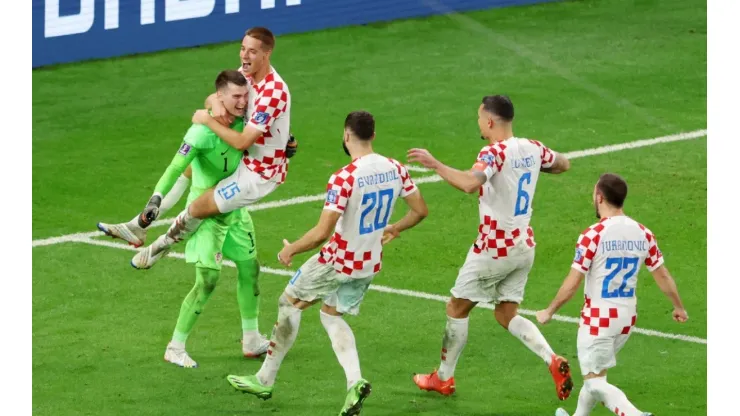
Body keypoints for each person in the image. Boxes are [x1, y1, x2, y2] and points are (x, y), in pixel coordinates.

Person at [225, 111, 428, 416]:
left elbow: (321, 233)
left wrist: (291, 249)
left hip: (338, 260)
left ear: (347, 136)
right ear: (372, 135)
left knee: (288, 303)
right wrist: (395, 228)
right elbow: (420, 211)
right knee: (331, 316)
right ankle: (354, 382)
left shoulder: (344, 177)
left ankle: (264, 379)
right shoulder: (396, 168)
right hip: (369, 262)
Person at [408, 95, 574, 400]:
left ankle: (443, 378)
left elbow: (470, 183)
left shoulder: (494, 152)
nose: (478, 123)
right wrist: (534, 167)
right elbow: (564, 163)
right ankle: (552, 359)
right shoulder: (533, 147)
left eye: (479, 117)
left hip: (495, 248)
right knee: (505, 313)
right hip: (524, 246)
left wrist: (435, 164)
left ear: (489, 121)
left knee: (457, 308)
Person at [129, 70, 271, 366]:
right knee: (208, 280)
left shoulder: (245, 121)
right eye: (236, 96)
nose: (243, 102)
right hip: (205, 213)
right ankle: (175, 347)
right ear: (221, 97)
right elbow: (174, 166)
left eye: (245, 96)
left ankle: (252, 339)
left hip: (235, 209)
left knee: (250, 268)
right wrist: (155, 198)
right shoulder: (200, 132)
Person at [131, 26, 294, 269]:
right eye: (242, 49)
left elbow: (242, 141)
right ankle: (139, 226)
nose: (244, 56)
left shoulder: (273, 92)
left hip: (260, 173)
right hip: (243, 159)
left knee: (198, 207)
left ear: (266, 54)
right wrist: (215, 105)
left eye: (251, 52)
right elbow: (216, 96)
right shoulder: (247, 75)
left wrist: (207, 119)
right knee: (192, 168)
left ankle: (160, 246)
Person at [536, 173, 688, 416]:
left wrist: (549, 310)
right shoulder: (643, 233)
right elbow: (663, 276)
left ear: (599, 197)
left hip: (599, 317)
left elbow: (573, 281)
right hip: (626, 318)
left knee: (595, 383)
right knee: (595, 374)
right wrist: (678, 306)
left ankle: (634, 414)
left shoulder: (593, 234)